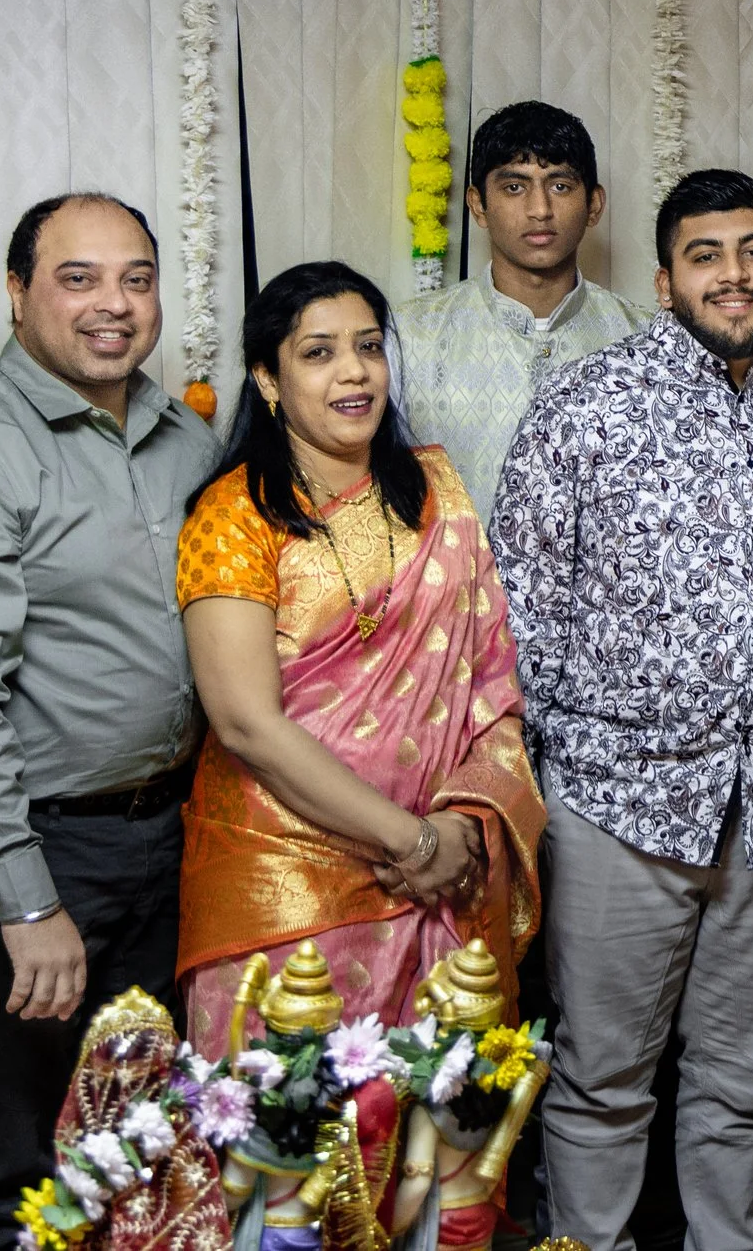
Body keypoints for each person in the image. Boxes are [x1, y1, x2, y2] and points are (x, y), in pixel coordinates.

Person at [489, 169, 753, 1251]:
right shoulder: (585, 408)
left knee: (748, 1084)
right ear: (664, 279)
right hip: (621, 806)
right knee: (604, 1080)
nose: (735, 274)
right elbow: (518, 608)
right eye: (706, 255)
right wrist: (557, 774)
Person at [0, 192, 219, 1251]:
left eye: (136, 278)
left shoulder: (187, 440)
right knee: (13, 1145)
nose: (113, 305)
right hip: (24, 846)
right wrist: (24, 904)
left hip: (165, 835)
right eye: (78, 278)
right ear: (18, 294)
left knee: (142, 1138)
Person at [173, 260, 542, 1055]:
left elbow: (492, 688)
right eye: (318, 352)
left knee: (433, 1144)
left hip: (443, 877)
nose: (353, 371)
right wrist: (410, 843)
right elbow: (245, 726)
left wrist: (458, 828)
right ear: (268, 379)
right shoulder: (232, 516)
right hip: (283, 883)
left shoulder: (438, 493)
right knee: (287, 1148)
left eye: (368, 347)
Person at [394, 100, 649, 517]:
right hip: (454, 583)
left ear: (595, 205)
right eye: (515, 187)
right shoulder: (410, 335)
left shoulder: (645, 339)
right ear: (478, 205)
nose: (540, 209)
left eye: (560, 186)